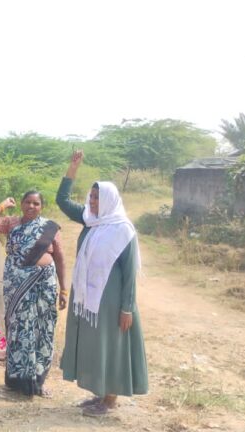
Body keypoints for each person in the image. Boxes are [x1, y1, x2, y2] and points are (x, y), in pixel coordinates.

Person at [57, 150, 148, 417]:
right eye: (91, 196)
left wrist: (127, 308)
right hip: (89, 298)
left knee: (111, 345)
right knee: (96, 345)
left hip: (111, 300)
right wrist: (72, 168)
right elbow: (62, 200)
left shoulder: (123, 230)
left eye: (97, 197)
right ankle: (100, 393)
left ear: (109, 199)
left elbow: (129, 273)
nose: (92, 201)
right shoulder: (91, 220)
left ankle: (110, 399)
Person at [0, 190, 66, 397]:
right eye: (27, 202)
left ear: (41, 206)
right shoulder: (11, 223)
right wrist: (2, 205)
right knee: (19, 329)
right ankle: (16, 380)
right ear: (21, 204)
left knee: (42, 330)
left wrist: (64, 289)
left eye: (36, 203)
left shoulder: (50, 228)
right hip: (16, 287)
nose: (31, 206)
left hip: (44, 287)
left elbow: (60, 258)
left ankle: (38, 381)